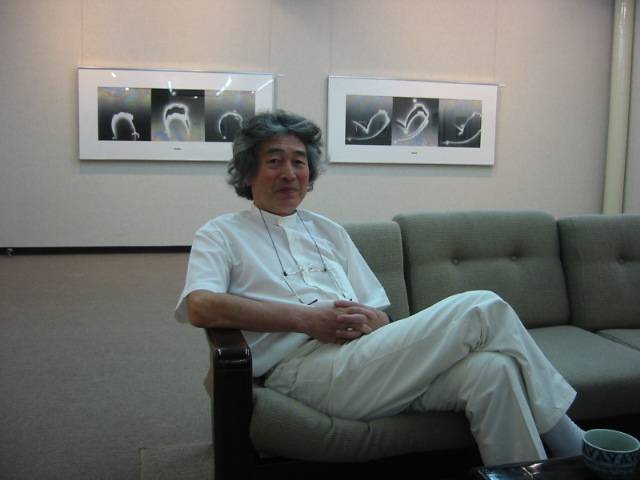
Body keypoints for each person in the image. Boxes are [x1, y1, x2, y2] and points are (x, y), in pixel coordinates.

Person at [175, 110, 584, 465]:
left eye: (299, 162)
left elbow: (381, 313)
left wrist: (376, 320)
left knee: (494, 371)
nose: (289, 173)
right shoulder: (221, 233)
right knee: (483, 307)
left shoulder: (329, 231)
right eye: (274, 161)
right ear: (249, 171)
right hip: (304, 372)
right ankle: (574, 445)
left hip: (368, 359)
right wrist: (305, 320)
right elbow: (200, 305)